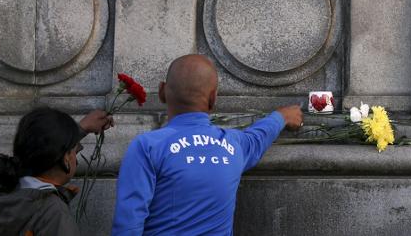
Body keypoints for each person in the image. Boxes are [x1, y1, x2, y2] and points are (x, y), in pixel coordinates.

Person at [111, 54, 303, 235]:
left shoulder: (147, 147)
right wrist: (282, 116)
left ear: (162, 92)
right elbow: (258, 136)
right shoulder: (234, 145)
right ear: (213, 99)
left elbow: (128, 225)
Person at [0, 108, 114, 236]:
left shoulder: (7, 196)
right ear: (66, 159)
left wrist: (80, 129)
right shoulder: (53, 213)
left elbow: (44, 144)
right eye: (75, 150)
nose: (76, 155)